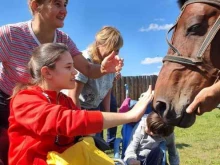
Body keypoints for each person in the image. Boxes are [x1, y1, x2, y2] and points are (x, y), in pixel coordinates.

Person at [8, 43, 153, 165]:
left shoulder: (65, 101)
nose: (75, 72)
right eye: (68, 67)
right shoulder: (25, 99)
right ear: (47, 73)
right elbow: (68, 121)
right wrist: (129, 116)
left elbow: (82, 128)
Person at [0, 0, 123, 129]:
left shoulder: (64, 40)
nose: (64, 11)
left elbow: (88, 68)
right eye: (57, 4)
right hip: (6, 104)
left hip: (41, 107)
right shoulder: (10, 35)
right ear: (36, 6)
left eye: (65, 4)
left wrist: (103, 68)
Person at [68, 26, 123, 138]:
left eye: (117, 50)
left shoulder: (111, 63)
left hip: (94, 107)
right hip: (77, 108)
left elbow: (107, 89)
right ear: (98, 44)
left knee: (95, 144)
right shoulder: (85, 61)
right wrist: (80, 124)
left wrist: (107, 114)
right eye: (112, 48)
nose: (115, 53)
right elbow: (73, 95)